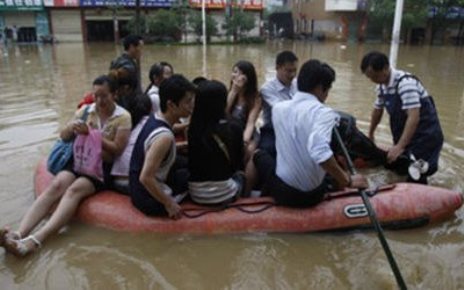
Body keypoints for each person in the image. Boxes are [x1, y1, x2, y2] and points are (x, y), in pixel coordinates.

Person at [0, 75, 131, 257]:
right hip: (80, 159)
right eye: (96, 96)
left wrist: (92, 134)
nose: (99, 101)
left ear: (114, 95)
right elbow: (63, 136)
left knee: (74, 190)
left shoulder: (123, 117)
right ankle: (19, 233)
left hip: (103, 167)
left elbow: (117, 150)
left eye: (104, 96)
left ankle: (35, 240)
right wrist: (71, 127)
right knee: (57, 185)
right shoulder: (86, 111)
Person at [254, 59, 368, 207]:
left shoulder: (278, 109)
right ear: (321, 88)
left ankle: (247, 194)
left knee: (258, 154)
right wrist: (348, 180)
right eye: (328, 89)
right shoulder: (325, 113)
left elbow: (315, 149)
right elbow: (320, 152)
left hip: (285, 194)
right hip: (312, 196)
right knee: (329, 159)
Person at [360, 51, 444, 184]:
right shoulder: (381, 87)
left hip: (425, 136)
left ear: (385, 68)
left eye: (374, 76)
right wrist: (370, 134)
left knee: (415, 174)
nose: (372, 80)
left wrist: (399, 146)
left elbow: (413, 117)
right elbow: (377, 110)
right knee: (397, 166)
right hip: (406, 135)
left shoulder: (406, 84)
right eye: (369, 78)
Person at [129, 74, 195, 219]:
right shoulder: (164, 137)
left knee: (185, 163)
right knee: (191, 176)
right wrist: (169, 203)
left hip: (136, 188)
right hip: (148, 200)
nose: (192, 105)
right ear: (171, 105)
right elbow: (145, 177)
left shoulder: (156, 116)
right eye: (188, 101)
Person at [189, 80, 245, 204]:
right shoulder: (234, 127)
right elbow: (237, 163)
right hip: (224, 194)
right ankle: (247, 197)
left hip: (195, 194)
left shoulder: (193, 128)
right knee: (242, 175)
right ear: (223, 102)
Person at [226, 60, 261, 194]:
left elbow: (251, 122)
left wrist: (245, 140)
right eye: (234, 72)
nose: (236, 76)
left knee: (250, 150)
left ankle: (246, 189)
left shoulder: (255, 97)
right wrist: (234, 91)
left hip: (247, 133)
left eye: (241, 74)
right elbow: (223, 114)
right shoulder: (230, 92)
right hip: (230, 131)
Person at [257, 50, 298, 158]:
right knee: (266, 151)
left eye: (295, 71)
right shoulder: (267, 89)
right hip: (273, 130)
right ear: (277, 68)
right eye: (288, 71)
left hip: (295, 127)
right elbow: (282, 110)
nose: (292, 75)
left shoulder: (297, 83)